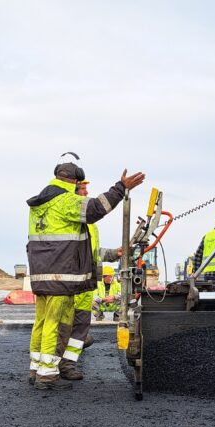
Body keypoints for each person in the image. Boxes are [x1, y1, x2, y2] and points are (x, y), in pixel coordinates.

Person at [26, 152, 144, 390]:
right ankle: (46, 374)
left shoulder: (40, 204)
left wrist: (111, 254)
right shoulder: (63, 200)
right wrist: (121, 187)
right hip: (61, 276)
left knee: (42, 321)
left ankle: (36, 368)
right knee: (54, 323)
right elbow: (95, 209)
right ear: (75, 180)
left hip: (42, 275)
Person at [56, 180, 122, 381]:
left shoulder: (90, 225)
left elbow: (94, 251)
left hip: (85, 288)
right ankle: (55, 364)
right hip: (71, 285)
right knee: (63, 328)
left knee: (80, 327)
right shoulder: (69, 219)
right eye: (83, 190)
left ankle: (68, 365)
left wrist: (113, 253)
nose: (87, 192)